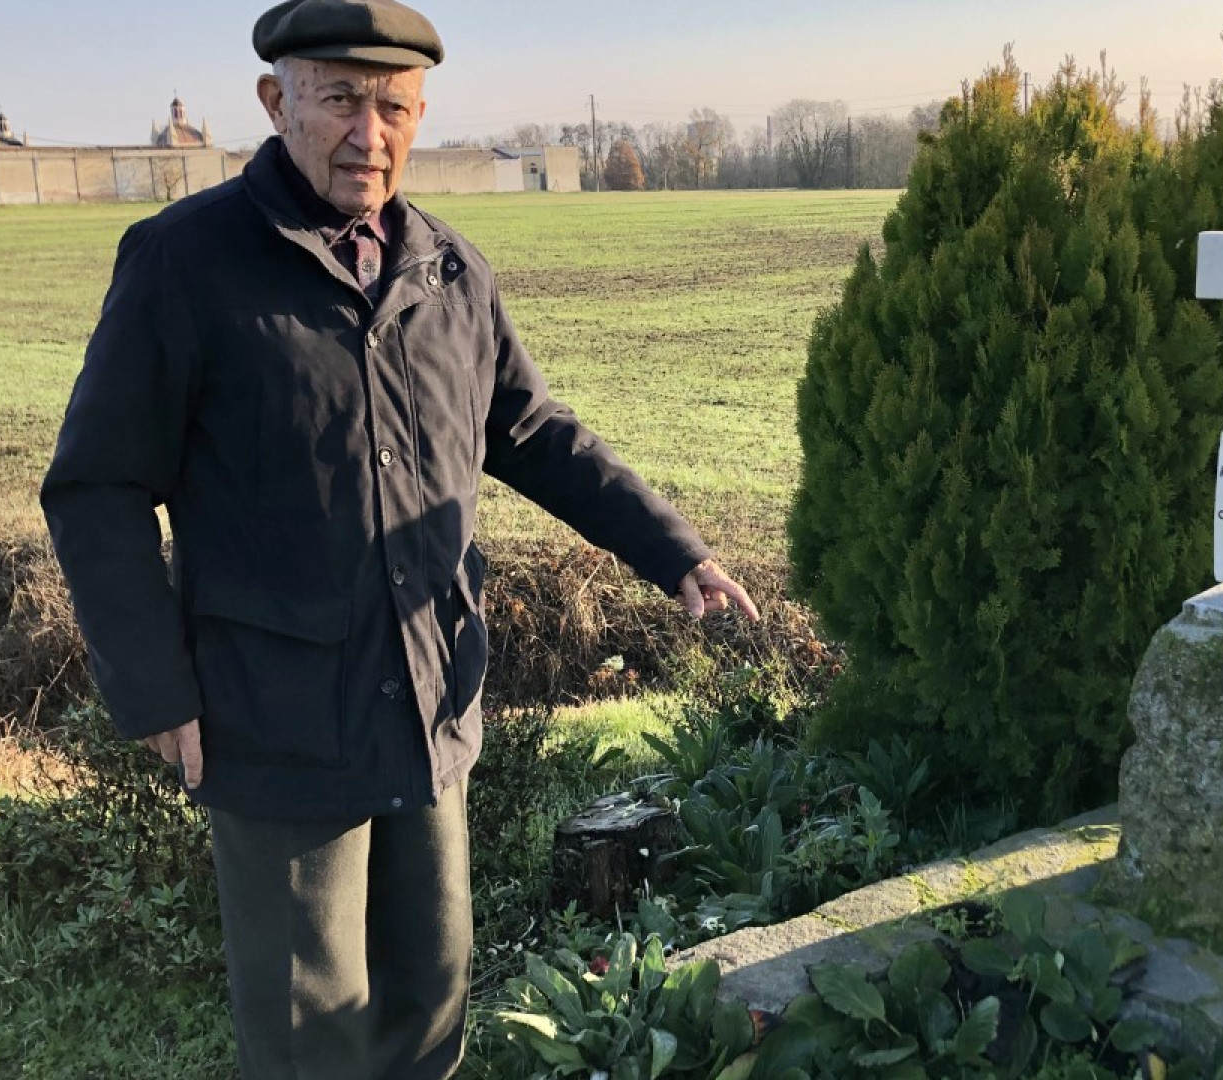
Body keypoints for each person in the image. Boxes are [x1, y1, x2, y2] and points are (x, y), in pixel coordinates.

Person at [39, 1, 757, 1076]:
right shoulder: (184, 266)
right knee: (311, 1034)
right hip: (273, 720)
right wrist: (155, 687)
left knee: (430, 1003)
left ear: (420, 114)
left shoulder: (448, 271)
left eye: (393, 105)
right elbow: (95, 488)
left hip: (428, 700)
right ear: (276, 102)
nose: (367, 133)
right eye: (338, 98)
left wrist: (672, 549)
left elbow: (531, 430)